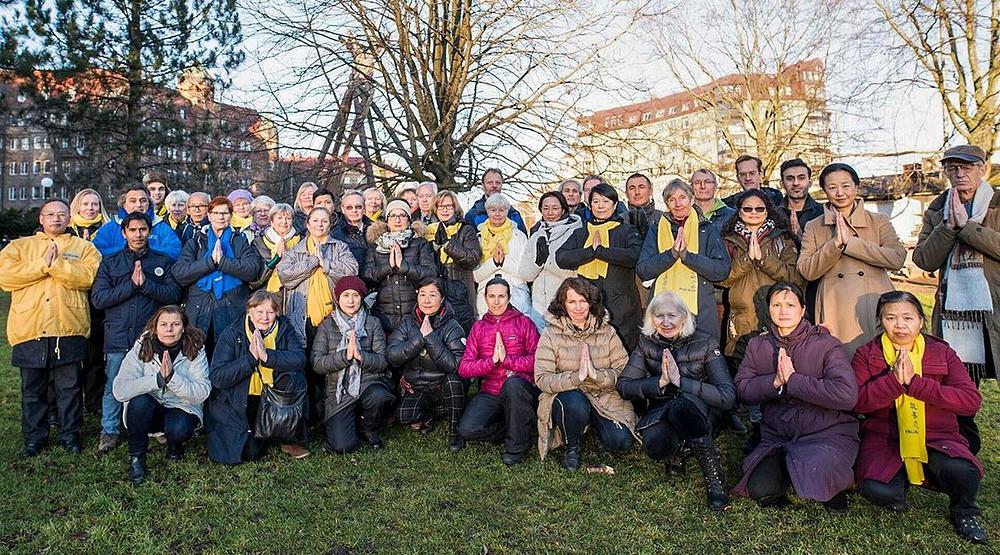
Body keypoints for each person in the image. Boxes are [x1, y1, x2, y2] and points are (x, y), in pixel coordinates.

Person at [853, 291, 987, 545]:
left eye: (908, 318)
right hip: (886, 436)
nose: (900, 325)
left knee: (962, 472)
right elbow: (858, 402)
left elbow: (971, 401)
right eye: (890, 318)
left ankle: (965, 512)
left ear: (921, 321)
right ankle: (901, 476)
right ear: (880, 321)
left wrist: (916, 384)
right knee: (878, 491)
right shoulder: (867, 353)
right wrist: (893, 382)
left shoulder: (941, 352)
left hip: (937, 435)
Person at [732, 283, 858, 513]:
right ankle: (792, 468)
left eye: (790, 305)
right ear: (768, 309)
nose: (783, 311)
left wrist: (794, 380)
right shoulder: (757, 344)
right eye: (776, 305)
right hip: (778, 432)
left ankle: (833, 482)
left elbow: (846, 395)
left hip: (823, 430)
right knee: (760, 487)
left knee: (822, 471)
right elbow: (742, 390)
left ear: (802, 309)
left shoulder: (826, 344)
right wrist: (775, 382)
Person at [912, 144, 998, 456]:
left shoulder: (997, 202)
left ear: (982, 169)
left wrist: (968, 228)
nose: (960, 174)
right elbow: (924, 259)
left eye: (967, 167)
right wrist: (949, 227)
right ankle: (964, 450)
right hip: (956, 315)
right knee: (959, 384)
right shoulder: (937, 210)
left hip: (995, 310)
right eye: (953, 168)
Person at [0, 199, 101, 457]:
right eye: (50, 214)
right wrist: (42, 265)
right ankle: (34, 437)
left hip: (69, 327)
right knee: (32, 389)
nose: (56, 219)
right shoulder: (19, 247)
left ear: (69, 218)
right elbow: (6, 276)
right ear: (41, 219)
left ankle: (70, 434)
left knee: (69, 388)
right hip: (29, 329)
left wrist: (56, 265)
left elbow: (87, 278)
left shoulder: (84, 248)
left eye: (61, 214)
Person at [618, 291, 736, 510]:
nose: (665, 322)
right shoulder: (647, 343)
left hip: (699, 409)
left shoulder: (706, 343)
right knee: (655, 446)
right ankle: (678, 451)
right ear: (651, 318)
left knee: (682, 408)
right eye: (659, 316)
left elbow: (727, 396)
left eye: (672, 315)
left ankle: (714, 475)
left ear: (684, 316)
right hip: (662, 407)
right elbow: (624, 386)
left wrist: (682, 382)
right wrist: (660, 382)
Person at [91, 212, 182, 456]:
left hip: (150, 336)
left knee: (154, 382)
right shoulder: (111, 263)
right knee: (114, 382)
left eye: (143, 230)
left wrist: (147, 285)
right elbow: (99, 299)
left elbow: (174, 295)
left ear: (149, 231)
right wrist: (131, 285)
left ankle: (155, 426)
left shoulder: (163, 261)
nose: (138, 234)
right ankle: (109, 430)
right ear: (124, 232)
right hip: (118, 334)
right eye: (133, 230)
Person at [798, 162, 906, 357]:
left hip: (874, 301)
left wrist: (851, 244)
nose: (840, 192)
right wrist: (835, 245)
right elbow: (806, 270)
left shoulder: (878, 220)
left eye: (846, 186)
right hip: (834, 306)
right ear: (824, 191)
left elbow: (897, 258)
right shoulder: (814, 226)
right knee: (840, 366)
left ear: (856, 187)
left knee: (879, 362)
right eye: (832, 187)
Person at [534, 278, 637, 471]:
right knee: (575, 404)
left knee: (621, 442)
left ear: (591, 303)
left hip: (603, 394)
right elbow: (542, 378)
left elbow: (624, 371)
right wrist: (577, 377)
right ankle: (572, 447)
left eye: (583, 301)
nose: (578, 307)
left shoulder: (607, 331)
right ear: (563, 304)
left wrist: (597, 376)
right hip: (569, 396)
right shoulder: (550, 334)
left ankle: (596, 428)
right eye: (572, 301)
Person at [277, 207, 358, 427]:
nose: (320, 225)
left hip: (330, 316)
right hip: (302, 318)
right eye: (315, 221)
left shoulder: (339, 247)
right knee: (306, 369)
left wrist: (327, 265)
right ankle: (309, 418)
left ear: (330, 223)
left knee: (329, 367)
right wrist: (313, 262)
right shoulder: (298, 249)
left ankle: (330, 417)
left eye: (324, 221)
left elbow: (352, 272)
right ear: (307, 224)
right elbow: (285, 275)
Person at [206, 290, 308, 464]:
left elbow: (299, 359)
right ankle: (264, 432)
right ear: (249, 312)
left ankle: (288, 437)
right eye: (259, 312)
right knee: (250, 454)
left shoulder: (285, 328)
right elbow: (218, 376)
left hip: (273, 393)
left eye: (270, 312)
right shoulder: (232, 333)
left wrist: (268, 357)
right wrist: (250, 359)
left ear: (277, 313)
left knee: (296, 378)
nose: (264, 317)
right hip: (243, 397)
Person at [112, 306, 210, 484]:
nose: (169, 329)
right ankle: (137, 460)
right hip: (150, 406)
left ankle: (174, 443)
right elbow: (120, 390)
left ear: (184, 326)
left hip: (181, 406)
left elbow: (202, 391)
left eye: (175, 324)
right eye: (163, 324)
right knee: (139, 402)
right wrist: (157, 380)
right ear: (155, 327)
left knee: (178, 429)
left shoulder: (195, 347)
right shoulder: (142, 346)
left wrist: (172, 379)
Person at [457, 277, 541, 466]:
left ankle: (516, 448)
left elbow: (538, 361)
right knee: (467, 429)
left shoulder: (524, 323)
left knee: (513, 385)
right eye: (492, 296)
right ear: (485, 298)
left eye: (501, 296)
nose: (496, 301)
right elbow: (464, 368)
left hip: (521, 388)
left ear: (509, 297)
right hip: (491, 390)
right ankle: (512, 427)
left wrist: (507, 360)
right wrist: (493, 361)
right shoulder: (478, 327)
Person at [637, 179, 731, 340]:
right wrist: (671, 255)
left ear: (691, 199)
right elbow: (643, 270)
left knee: (702, 360)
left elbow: (722, 270)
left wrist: (687, 257)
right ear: (667, 204)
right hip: (663, 313)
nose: (678, 203)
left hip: (699, 310)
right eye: (672, 199)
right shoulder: (657, 228)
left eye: (682, 197)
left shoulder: (706, 229)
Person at [718, 190, 804, 363]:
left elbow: (795, 278)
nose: (754, 213)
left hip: (779, 317)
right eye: (748, 209)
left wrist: (764, 260)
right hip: (742, 320)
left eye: (759, 208)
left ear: (767, 211)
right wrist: (747, 260)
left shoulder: (783, 237)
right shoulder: (726, 240)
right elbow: (722, 278)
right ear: (739, 211)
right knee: (744, 376)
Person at [556, 183, 643, 350]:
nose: (601, 206)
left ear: (615, 205)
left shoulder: (626, 230)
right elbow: (562, 258)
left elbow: (634, 256)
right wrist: (590, 252)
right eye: (596, 201)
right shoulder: (581, 233)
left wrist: (601, 251)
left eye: (606, 201)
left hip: (622, 305)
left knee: (624, 351)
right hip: (589, 304)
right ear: (590, 205)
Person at [312, 276, 393, 452]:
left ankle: (368, 427)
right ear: (338, 299)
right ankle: (348, 420)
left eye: (355, 295)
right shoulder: (326, 326)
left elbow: (382, 361)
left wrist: (360, 356)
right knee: (342, 446)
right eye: (346, 295)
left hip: (368, 382)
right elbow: (317, 364)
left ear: (361, 298)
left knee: (379, 397)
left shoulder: (372, 323)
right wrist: (345, 357)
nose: (350, 300)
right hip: (338, 389)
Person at [387, 277, 468, 452]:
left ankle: (455, 432)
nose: (427, 300)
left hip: (443, 385)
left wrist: (430, 338)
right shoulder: (408, 323)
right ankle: (431, 414)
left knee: (454, 381)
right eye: (422, 294)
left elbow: (456, 365)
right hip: (418, 386)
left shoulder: (453, 326)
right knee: (403, 415)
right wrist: (417, 340)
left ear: (442, 298)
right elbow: (392, 355)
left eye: (432, 295)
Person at [171, 196, 262, 347]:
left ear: (231, 216)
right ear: (209, 215)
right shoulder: (196, 242)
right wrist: (210, 262)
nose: (220, 217)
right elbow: (180, 273)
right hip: (199, 307)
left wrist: (223, 262)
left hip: (232, 305)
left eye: (225, 213)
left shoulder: (240, 241)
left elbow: (252, 270)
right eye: (216, 213)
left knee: (228, 353)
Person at [364, 198, 437, 331]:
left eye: (402, 215)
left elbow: (430, 273)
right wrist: (389, 266)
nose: (397, 220)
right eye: (393, 216)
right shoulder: (376, 246)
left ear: (409, 220)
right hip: (383, 315)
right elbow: (367, 277)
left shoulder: (420, 243)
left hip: (414, 313)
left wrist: (404, 266)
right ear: (387, 220)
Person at [67, 187, 109, 416]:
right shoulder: (68, 230)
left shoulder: (108, 229)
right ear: (77, 206)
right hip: (71, 297)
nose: (90, 208)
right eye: (86, 204)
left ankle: (93, 401)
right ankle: (71, 400)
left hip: (97, 299)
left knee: (95, 354)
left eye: (94, 204)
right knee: (72, 354)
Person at [519, 191, 581, 329]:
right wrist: (538, 262)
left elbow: (576, 273)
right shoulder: (536, 234)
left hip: (565, 303)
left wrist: (550, 261)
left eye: (555, 208)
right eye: (545, 208)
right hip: (539, 307)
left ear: (563, 209)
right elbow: (525, 275)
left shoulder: (576, 232)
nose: (550, 212)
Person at [473, 193, 536, 323]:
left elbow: (526, 273)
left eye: (501, 210)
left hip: (516, 294)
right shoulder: (479, 238)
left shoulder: (519, 236)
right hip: (487, 296)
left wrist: (503, 262)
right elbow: (475, 276)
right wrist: (494, 262)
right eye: (493, 210)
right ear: (487, 211)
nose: (497, 214)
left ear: (507, 212)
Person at [425, 189, 481, 329]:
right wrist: (435, 247)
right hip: (437, 291)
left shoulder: (465, 229)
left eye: (448, 206)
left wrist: (448, 244)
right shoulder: (428, 231)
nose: (444, 210)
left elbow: (473, 258)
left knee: (462, 332)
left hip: (461, 290)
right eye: (440, 206)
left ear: (455, 208)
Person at [92, 184, 183, 261]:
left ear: (149, 203)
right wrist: (128, 251)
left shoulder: (161, 227)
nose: (138, 205)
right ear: (123, 204)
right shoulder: (109, 228)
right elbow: (96, 253)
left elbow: (175, 251)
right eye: (133, 201)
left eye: (143, 201)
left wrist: (146, 251)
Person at [249, 203, 301, 313]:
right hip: (268, 297)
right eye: (280, 218)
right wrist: (276, 259)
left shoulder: (301, 241)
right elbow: (255, 281)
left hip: (296, 296)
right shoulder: (259, 243)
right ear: (271, 221)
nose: (284, 222)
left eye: (288, 218)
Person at [464, 168, 528, 233]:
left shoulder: (514, 214)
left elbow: (524, 239)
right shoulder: (472, 215)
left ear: (501, 185)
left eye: (497, 183)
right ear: (483, 186)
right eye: (490, 182)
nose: (494, 186)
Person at [777, 158, 823, 238]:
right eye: (790, 179)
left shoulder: (823, 213)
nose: (796, 183)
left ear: (810, 182)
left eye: (801, 178)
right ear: (782, 184)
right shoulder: (772, 214)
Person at [331, 190, 372, 277]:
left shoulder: (378, 230)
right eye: (349, 207)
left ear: (364, 208)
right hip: (350, 285)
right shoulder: (335, 235)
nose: (354, 210)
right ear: (343, 209)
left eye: (358, 207)